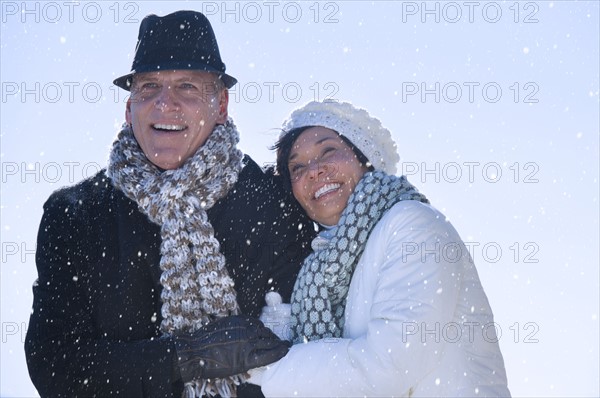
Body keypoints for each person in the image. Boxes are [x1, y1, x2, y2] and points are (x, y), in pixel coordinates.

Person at [24, 10, 314, 398]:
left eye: (188, 87)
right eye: (149, 87)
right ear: (129, 109)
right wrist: (184, 358)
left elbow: (314, 343)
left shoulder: (274, 205)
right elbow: (55, 364)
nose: (165, 104)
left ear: (222, 104)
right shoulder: (76, 215)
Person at [248, 100, 511, 397]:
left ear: (365, 158)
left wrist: (258, 363)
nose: (314, 170)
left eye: (328, 150)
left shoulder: (412, 225)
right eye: (297, 167)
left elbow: (388, 368)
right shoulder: (323, 270)